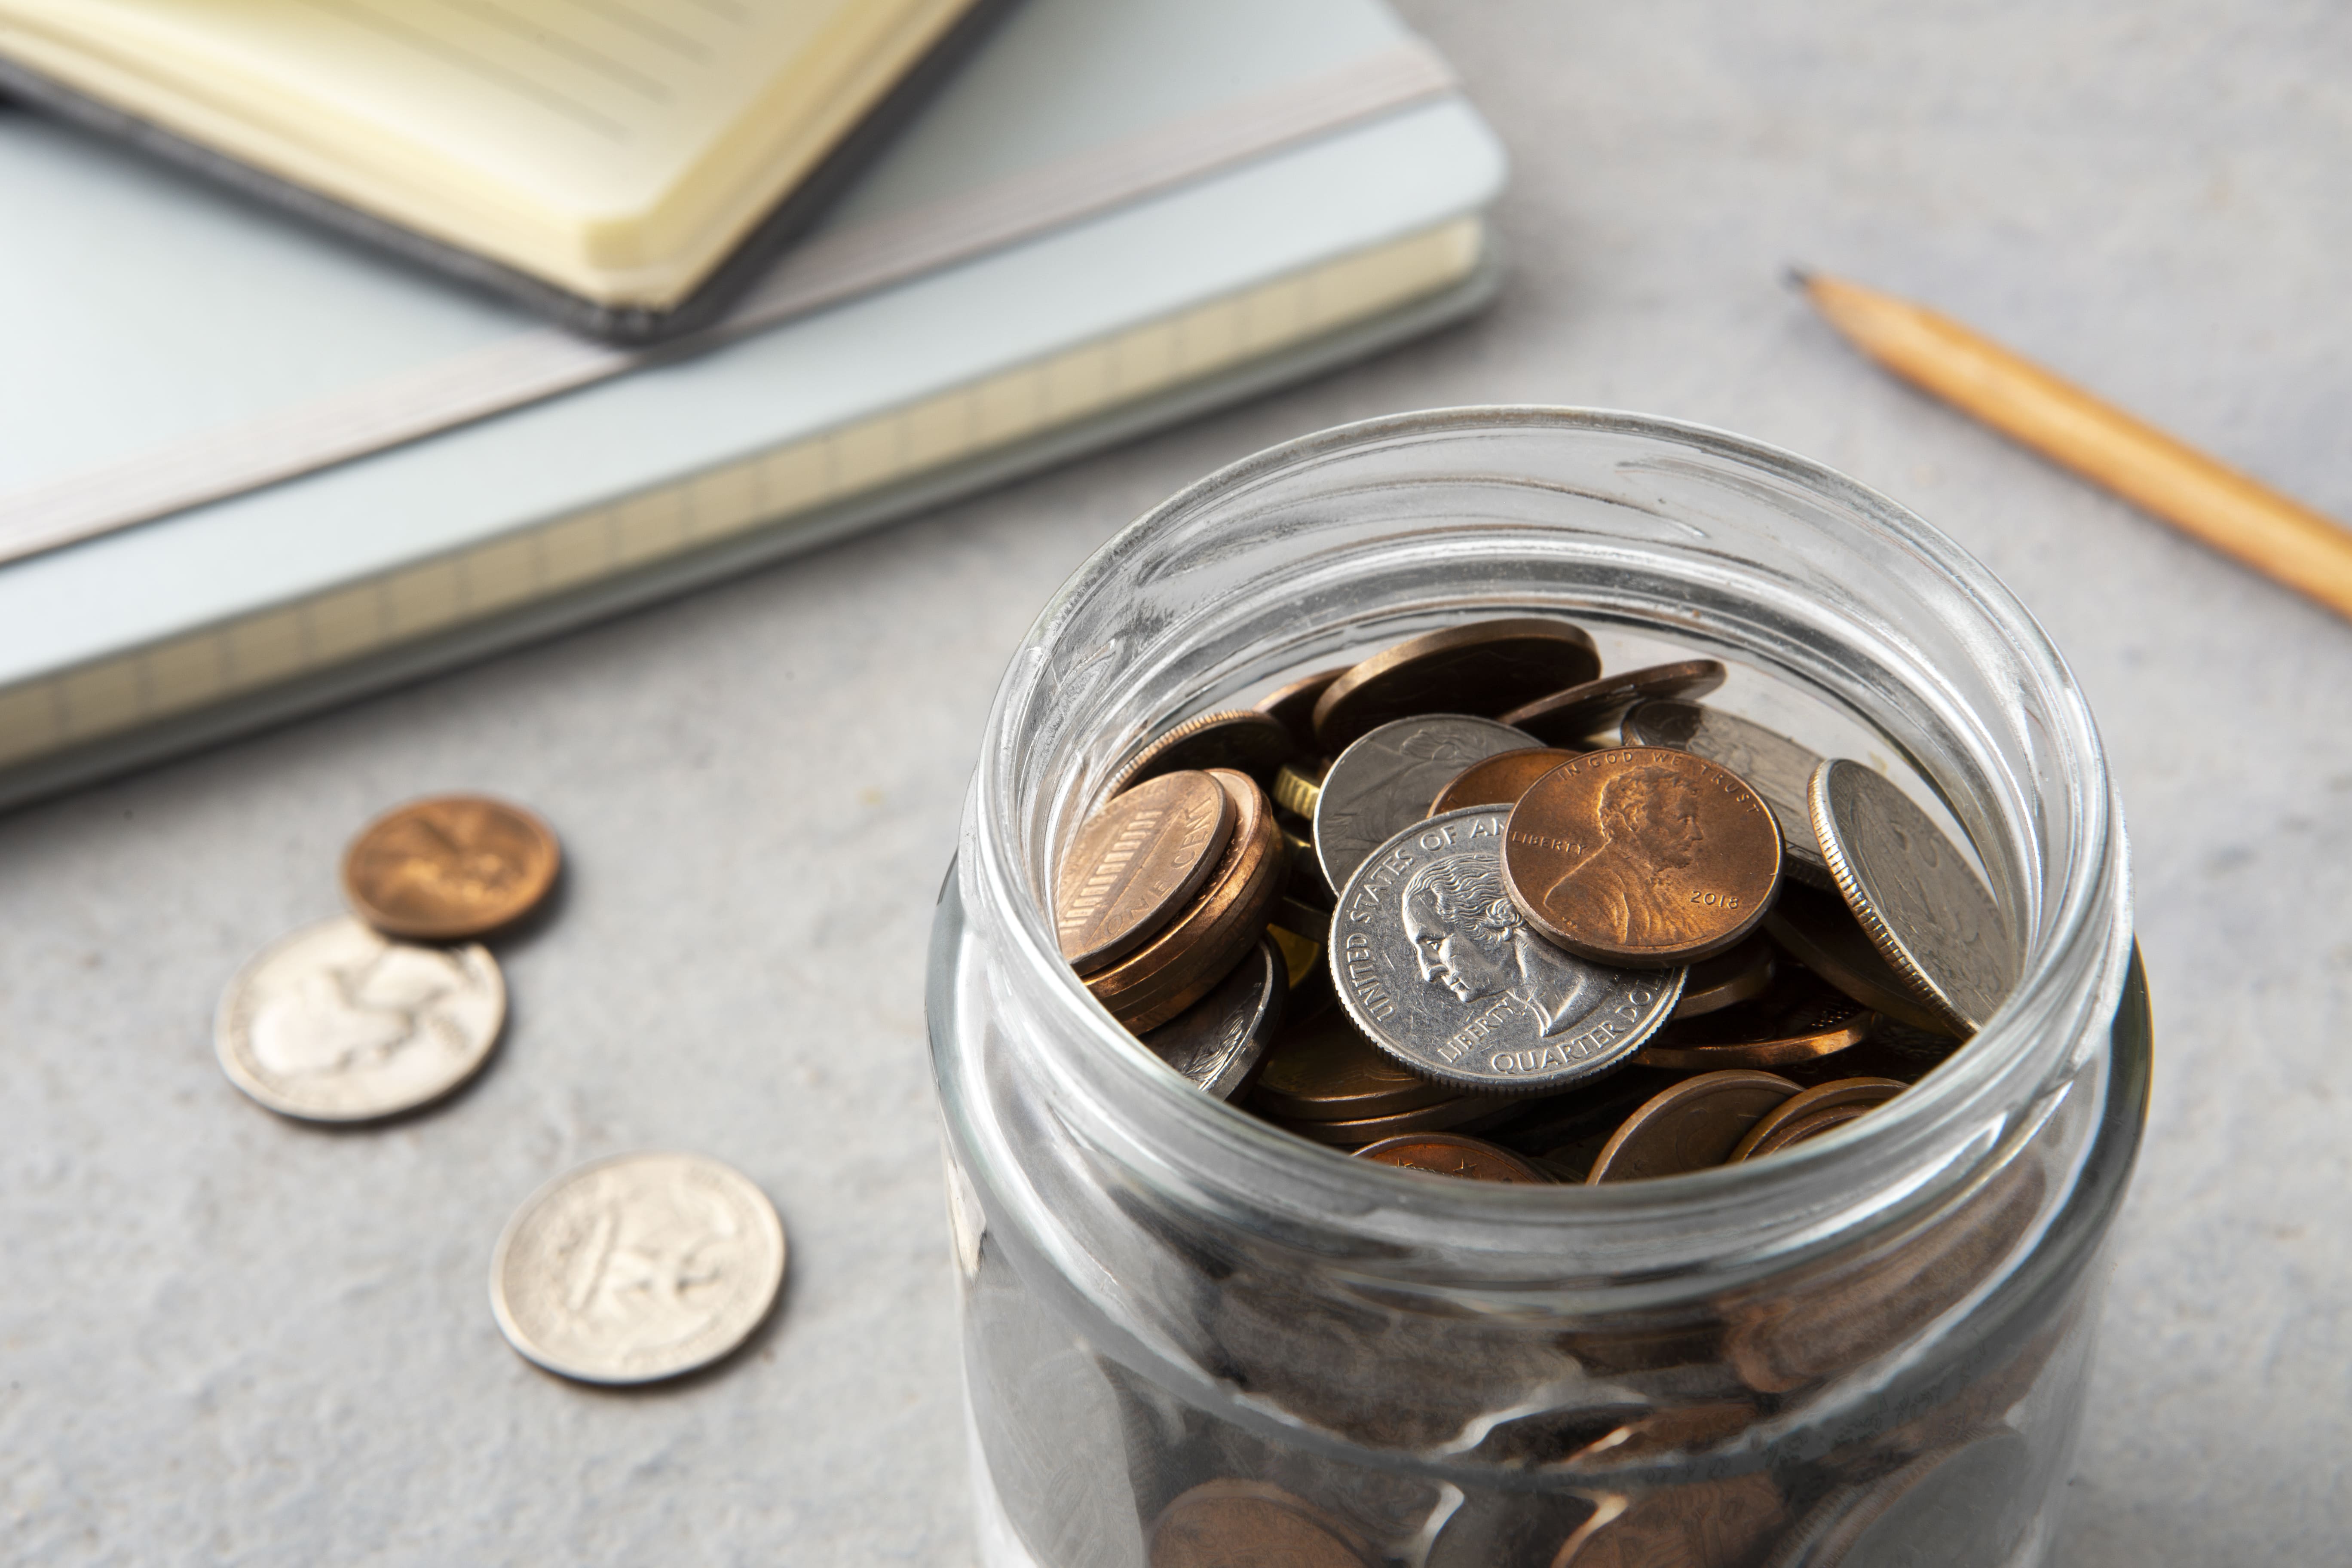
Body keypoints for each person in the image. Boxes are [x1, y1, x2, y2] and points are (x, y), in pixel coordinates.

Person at [1400, 849, 1596, 1034]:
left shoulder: (1592, 997)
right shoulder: (1554, 1014)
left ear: (1500, 918)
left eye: (1435, 944)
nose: (1430, 972)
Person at [1545, 764, 1703, 950]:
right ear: (1634, 818)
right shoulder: (1582, 895)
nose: (1696, 834)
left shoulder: (1654, 887)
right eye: (1683, 819)